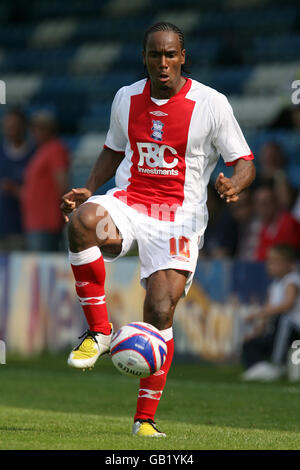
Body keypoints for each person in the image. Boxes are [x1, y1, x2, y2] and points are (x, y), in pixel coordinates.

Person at [60, 22, 256, 437]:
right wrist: (90, 190)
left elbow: (244, 160)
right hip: (130, 201)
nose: (162, 63)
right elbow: (113, 149)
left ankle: (144, 421)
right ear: (144, 56)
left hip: (180, 217)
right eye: (154, 54)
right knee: (82, 223)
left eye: (170, 55)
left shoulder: (212, 103)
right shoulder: (125, 98)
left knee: (161, 308)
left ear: (183, 57)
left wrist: (234, 183)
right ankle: (98, 330)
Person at [241, 244, 300, 381]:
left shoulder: (292, 280)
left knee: (284, 321)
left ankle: (277, 364)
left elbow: (288, 304)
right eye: (269, 261)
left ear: (289, 264)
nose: (270, 265)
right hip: (277, 331)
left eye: (275, 261)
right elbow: (267, 312)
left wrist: (257, 315)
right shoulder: (274, 286)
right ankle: (257, 367)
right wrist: (256, 332)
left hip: (294, 331)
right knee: (251, 343)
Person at [21, 111, 70, 251]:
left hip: (47, 222)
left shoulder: (55, 148)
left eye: (41, 128)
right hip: (36, 222)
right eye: (34, 128)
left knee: (43, 266)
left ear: (50, 129)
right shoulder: (41, 150)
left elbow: (62, 182)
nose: (35, 132)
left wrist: (64, 213)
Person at [0, 108, 35, 250]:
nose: (11, 130)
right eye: (7, 126)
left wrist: (16, 190)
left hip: (24, 229)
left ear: (23, 127)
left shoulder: (35, 154)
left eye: (14, 126)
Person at [253, 184, 300, 261]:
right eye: (258, 204)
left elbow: (285, 256)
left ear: (275, 202)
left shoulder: (289, 223)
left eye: (264, 203)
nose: (261, 208)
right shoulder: (263, 226)